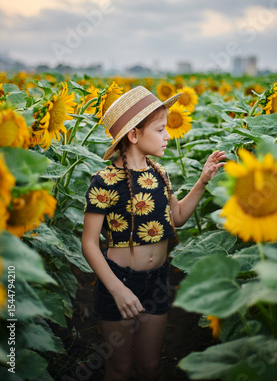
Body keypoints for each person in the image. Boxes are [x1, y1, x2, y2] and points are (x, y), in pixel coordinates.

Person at [81, 86, 226, 381]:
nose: (168, 135)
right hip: (118, 281)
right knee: (119, 367)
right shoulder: (104, 181)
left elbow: (179, 217)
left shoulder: (159, 173)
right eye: (160, 129)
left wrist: (202, 181)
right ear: (134, 135)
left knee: (150, 366)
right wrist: (117, 289)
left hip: (158, 280)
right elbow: (89, 244)